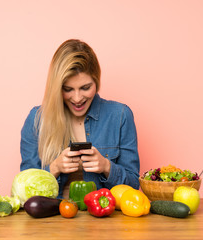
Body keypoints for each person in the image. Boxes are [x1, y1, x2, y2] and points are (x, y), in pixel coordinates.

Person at [20, 39, 140, 199]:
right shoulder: (37, 120)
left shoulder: (120, 116)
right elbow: (25, 190)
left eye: (85, 88)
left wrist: (106, 166)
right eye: (68, 89)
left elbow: (133, 185)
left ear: (96, 82)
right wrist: (54, 168)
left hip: (102, 217)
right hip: (52, 218)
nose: (77, 98)